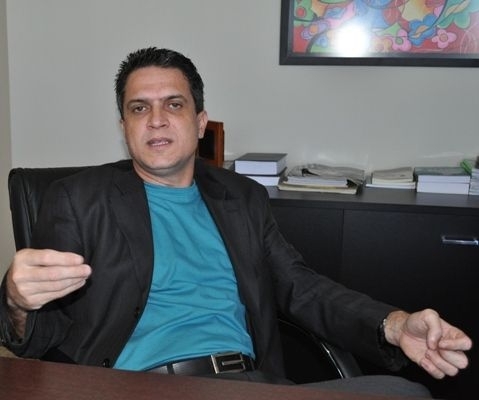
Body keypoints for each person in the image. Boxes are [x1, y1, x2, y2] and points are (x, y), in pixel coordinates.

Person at [0, 47, 472, 397]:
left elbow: (301, 288)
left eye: (174, 104)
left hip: (247, 383)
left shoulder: (242, 198)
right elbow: (38, 336)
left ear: (200, 121)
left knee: (403, 392)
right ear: (124, 126)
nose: (156, 120)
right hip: (133, 385)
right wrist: (16, 300)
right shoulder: (79, 199)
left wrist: (394, 324)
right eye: (139, 108)